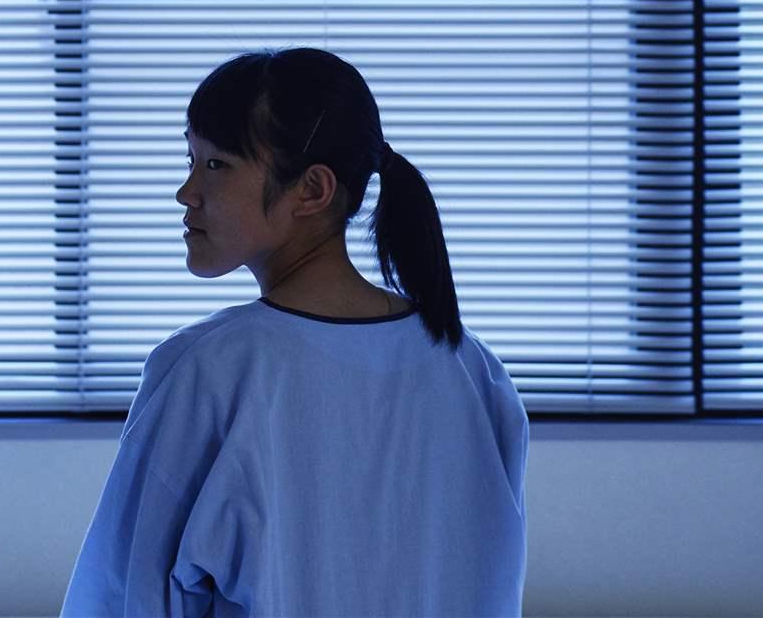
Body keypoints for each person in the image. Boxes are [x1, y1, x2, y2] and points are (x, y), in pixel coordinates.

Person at [59, 46, 529, 617]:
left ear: (311, 190)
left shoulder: (211, 371)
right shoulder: (470, 369)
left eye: (217, 165)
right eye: (190, 160)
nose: (186, 192)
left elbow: (124, 596)